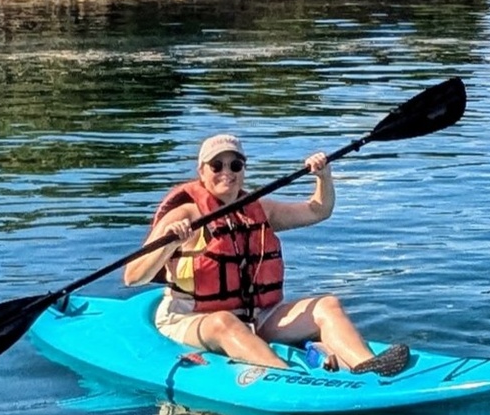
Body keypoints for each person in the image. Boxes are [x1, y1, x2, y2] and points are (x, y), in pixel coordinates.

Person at [125, 133, 411, 375]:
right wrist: (169, 243)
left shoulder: (260, 209)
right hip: (192, 318)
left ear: (243, 170)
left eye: (235, 165)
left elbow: (318, 210)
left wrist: (323, 177)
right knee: (225, 323)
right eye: (217, 165)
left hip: (256, 316)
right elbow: (133, 276)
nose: (227, 172)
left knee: (327, 304)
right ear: (202, 171)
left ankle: (370, 369)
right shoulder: (185, 214)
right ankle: (285, 378)